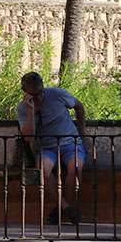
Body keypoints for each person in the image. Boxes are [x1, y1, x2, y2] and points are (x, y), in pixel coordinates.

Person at [17, 71, 87, 225]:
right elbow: (29, 137)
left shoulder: (57, 94)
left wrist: (83, 132)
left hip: (71, 143)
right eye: (33, 95)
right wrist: (30, 111)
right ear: (25, 92)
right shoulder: (22, 108)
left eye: (40, 92)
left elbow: (78, 106)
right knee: (43, 169)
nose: (39, 97)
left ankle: (61, 210)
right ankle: (67, 208)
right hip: (47, 147)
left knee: (75, 167)